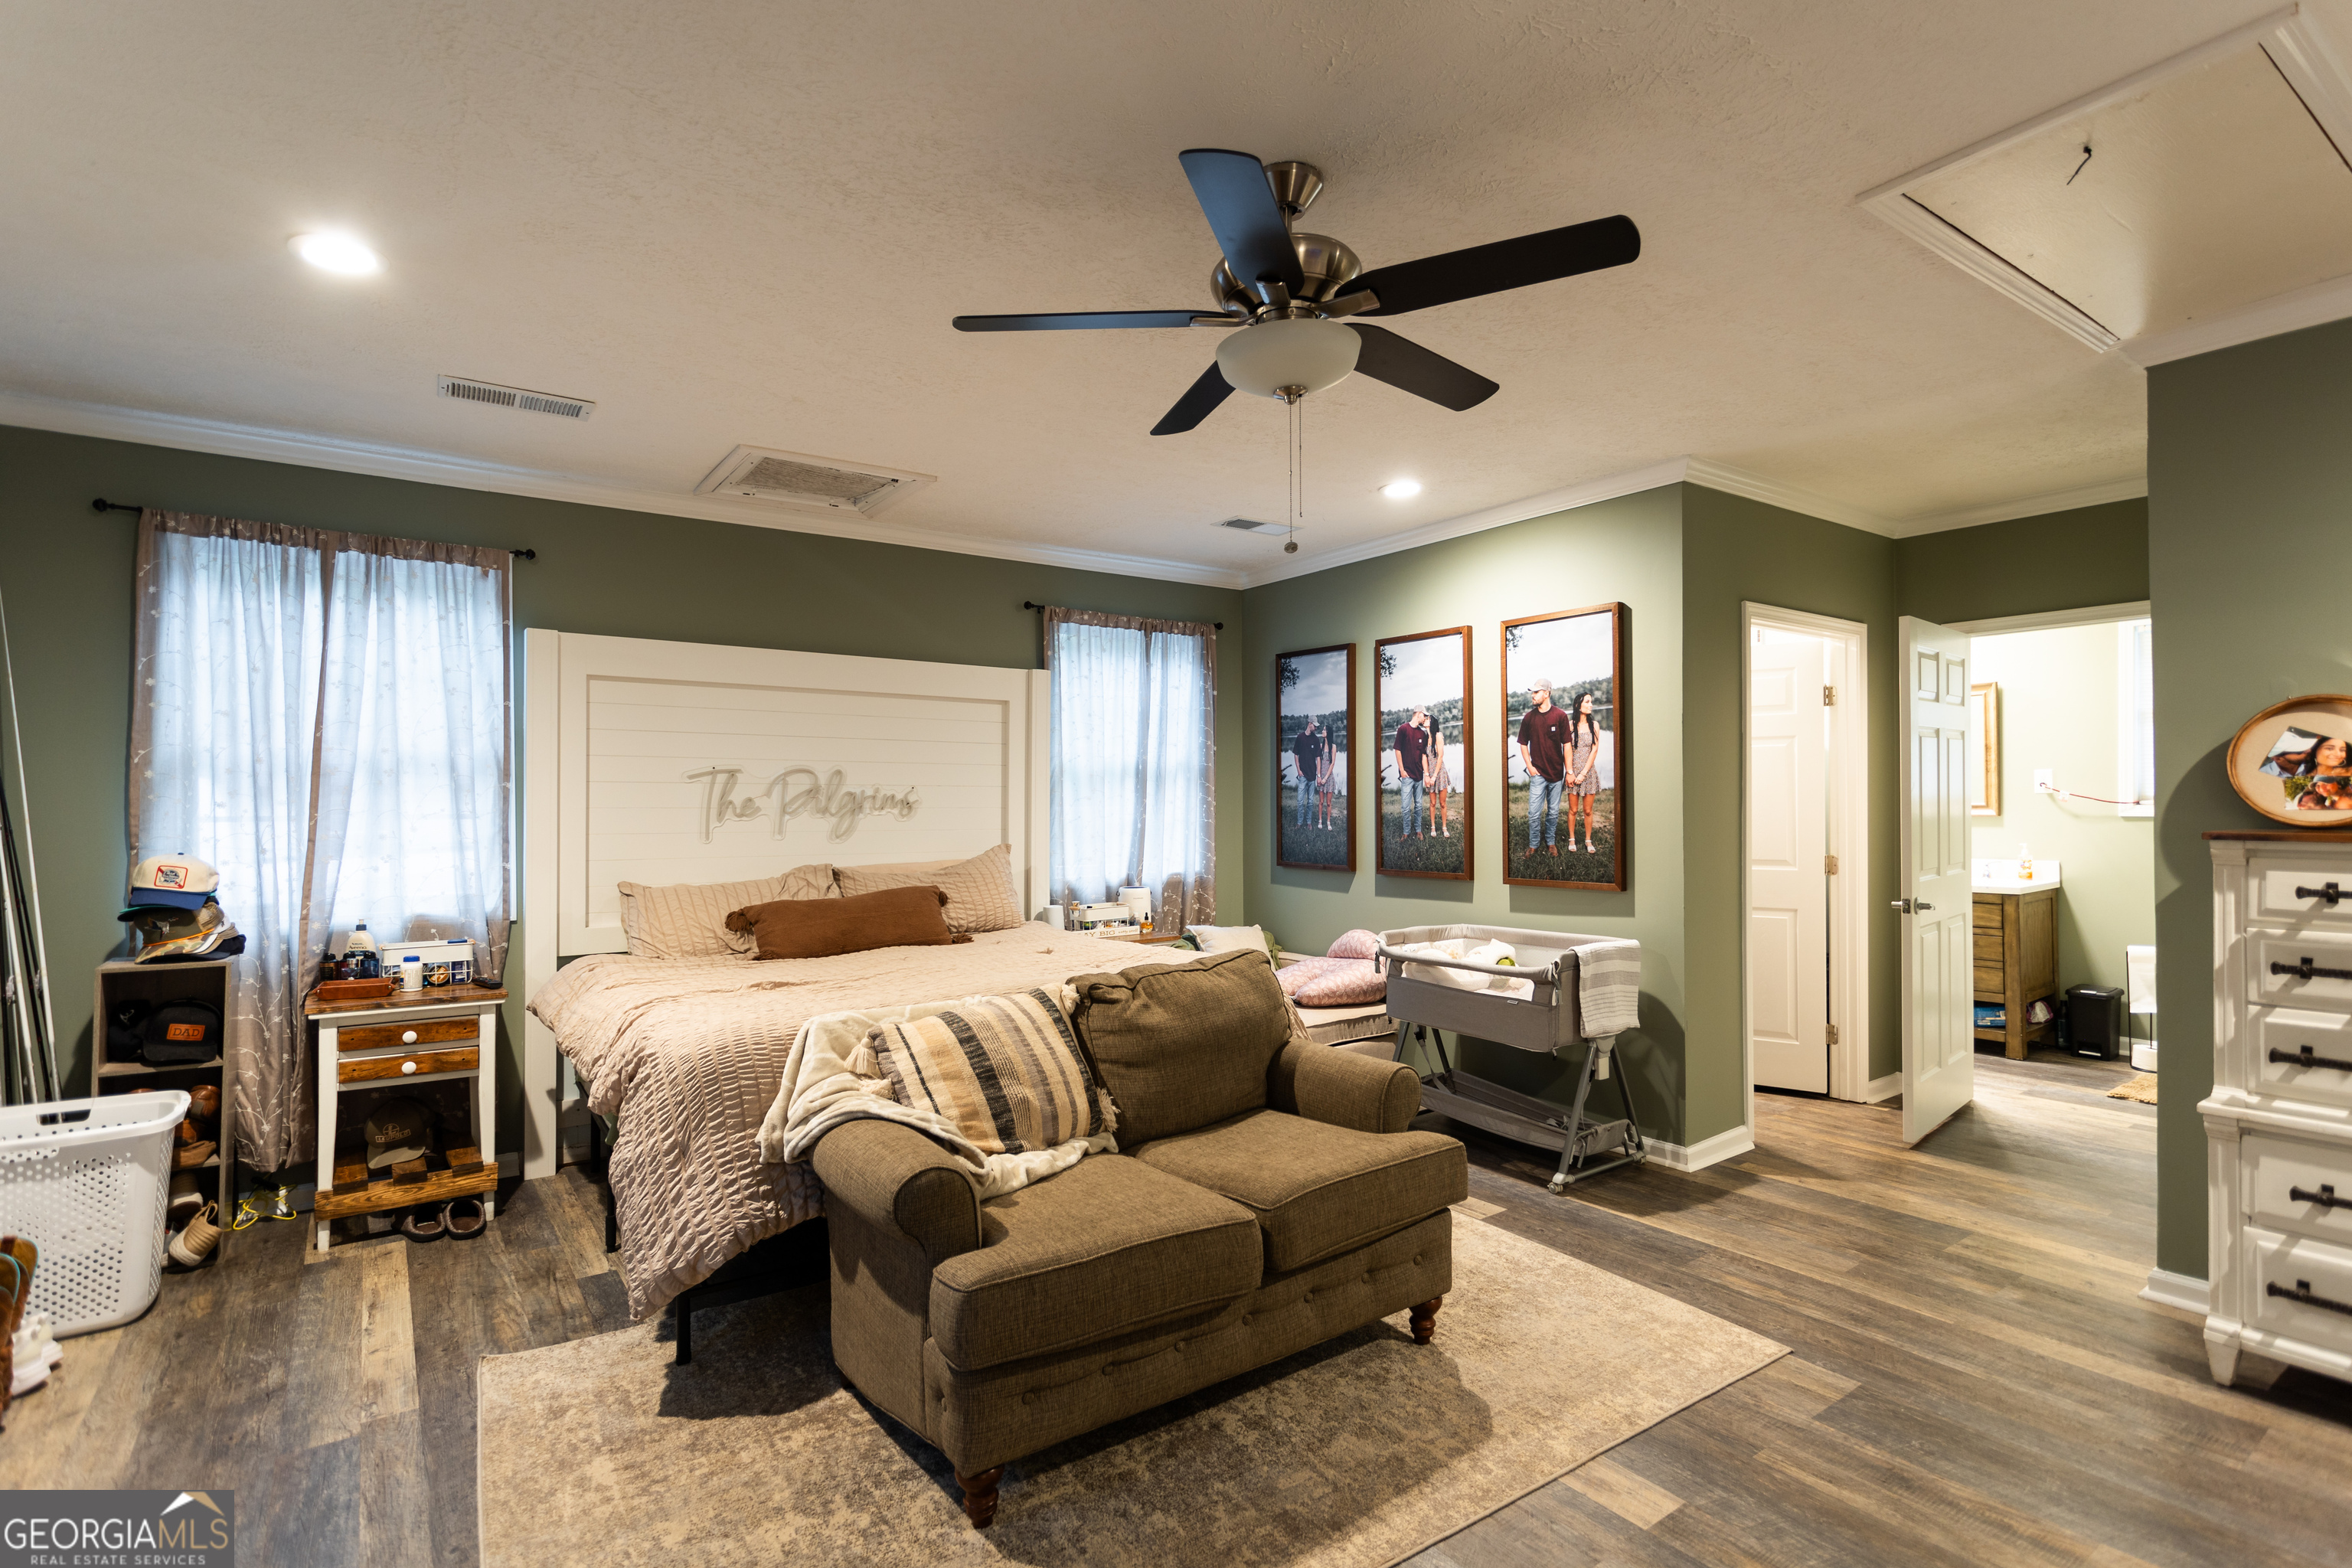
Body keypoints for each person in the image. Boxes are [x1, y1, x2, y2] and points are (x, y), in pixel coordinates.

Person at [1517, 683, 1570, 858]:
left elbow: (1567, 745)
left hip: (1556, 774)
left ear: (1546, 694)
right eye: (1532, 692)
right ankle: (1533, 845)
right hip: (1538, 774)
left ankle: (1551, 842)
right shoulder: (1529, 718)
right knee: (1533, 813)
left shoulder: (1560, 716)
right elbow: (1523, 744)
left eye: (1536, 692)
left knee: (1553, 812)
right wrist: (1530, 767)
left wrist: (1569, 771)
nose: (1533, 695)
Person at [1563, 691, 1602, 854]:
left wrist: (1583, 773)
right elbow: (1566, 749)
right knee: (1573, 810)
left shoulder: (1595, 725)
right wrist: (1570, 772)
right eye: (1587, 702)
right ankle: (1572, 839)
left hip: (1588, 773)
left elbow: (1594, 750)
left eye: (1591, 702)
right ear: (1578, 705)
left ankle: (1588, 840)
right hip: (1573, 772)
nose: (1590, 705)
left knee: (1587, 810)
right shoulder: (1570, 725)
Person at [1393, 708, 1429, 839]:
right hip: (1407, 776)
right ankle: (1406, 832)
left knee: (1419, 805)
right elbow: (1397, 750)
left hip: (1419, 775)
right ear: (1418, 714)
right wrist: (1402, 770)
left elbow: (1424, 755)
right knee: (1405, 806)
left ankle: (1418, 830)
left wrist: (1426, 774)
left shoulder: (1422, 733)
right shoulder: (1403, 729)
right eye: (1424, 716)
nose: (1425, 718)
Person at [1423, 713, 1454, 838]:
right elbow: (1424, 758)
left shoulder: (1438, 736)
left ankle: (1444, 828)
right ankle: (1433, 827)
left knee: (1442, 803)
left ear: (1432, 723)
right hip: (1430, 773)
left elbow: (1440, 757)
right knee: (1432, 803)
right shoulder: (1425, 737)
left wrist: (1435, 776)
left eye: (1427, 719)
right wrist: (1427, 775)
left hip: (1439, 773)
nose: (1425, 720)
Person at [1291, 719, 1322, 828]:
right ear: (1310, 724)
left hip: (1312, 776)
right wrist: (1299, 770)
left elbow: (1318, 759)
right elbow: (1296, 754)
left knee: (1310, 801)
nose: (1316, 728)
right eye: (1315, 726)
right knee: (1300, 801)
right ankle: (1299, 823)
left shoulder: (1316, 739)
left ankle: (1309, 822)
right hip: (1303, 775)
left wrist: (1318, 775)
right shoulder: (1300, 738)